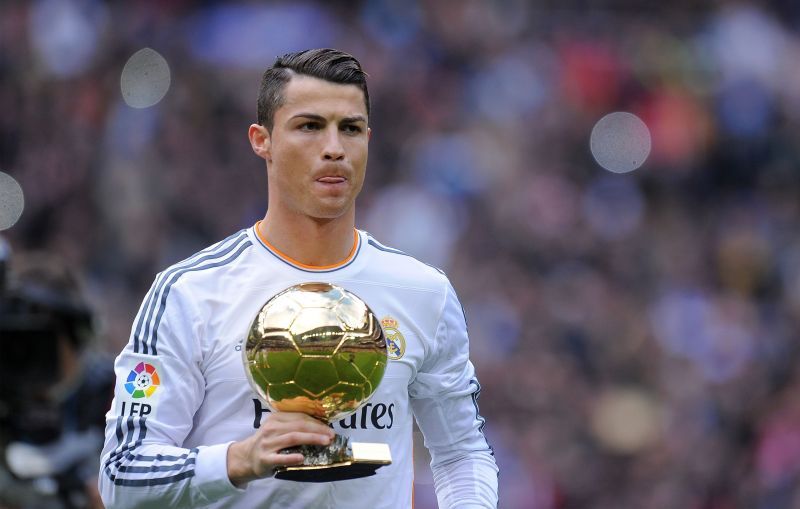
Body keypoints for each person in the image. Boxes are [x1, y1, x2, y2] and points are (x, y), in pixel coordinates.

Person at [99, 48, 498, 508]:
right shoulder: (189, 293)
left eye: (350, 129)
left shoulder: (423, 292)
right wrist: (240, 459)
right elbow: (121, 476)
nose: (334, 147)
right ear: (261, 140)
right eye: (309, 126)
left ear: (368, 139)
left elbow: (461, 454)